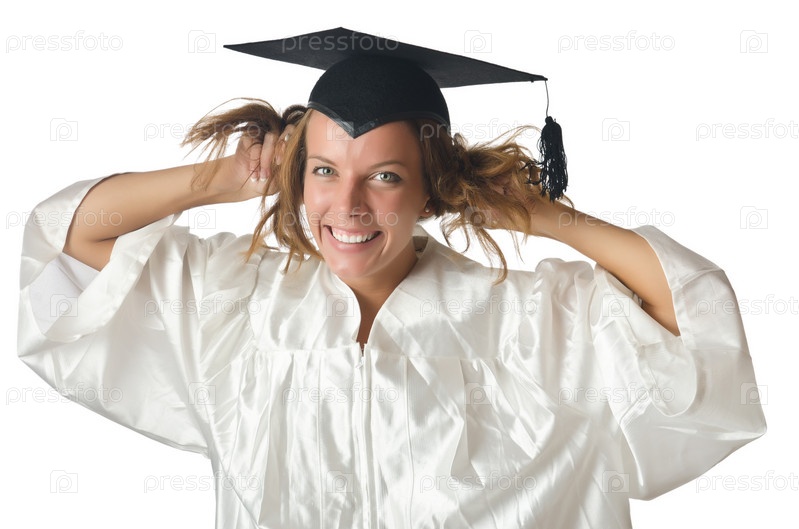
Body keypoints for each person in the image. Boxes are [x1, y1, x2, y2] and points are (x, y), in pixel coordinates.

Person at [17, 28, 765, 528]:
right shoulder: (236, 307)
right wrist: (226, 177)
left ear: (429, 190)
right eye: (322, 171)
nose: (346, 205)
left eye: (383, 176)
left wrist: (544, 219)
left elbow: (693, 322)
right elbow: (71, 244)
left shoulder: (526, 323)